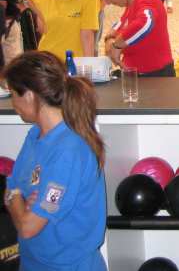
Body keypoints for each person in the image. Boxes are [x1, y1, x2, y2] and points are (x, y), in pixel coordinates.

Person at [2, 51, 106, 270]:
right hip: (33, 262)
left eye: (13, 94)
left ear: (29, 95)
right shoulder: (35, 135)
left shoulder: (68, 152)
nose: (13, 103)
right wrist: (18, 198)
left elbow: (28, 227)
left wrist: (18, 200)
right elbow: (12, 187)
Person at [88, 0, 174, 77]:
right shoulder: (131, 6)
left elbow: (145, 23)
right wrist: (109, 40)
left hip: (156, 78)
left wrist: (117, 45)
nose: (106, 1)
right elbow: (118, 25)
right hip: (136, 76)